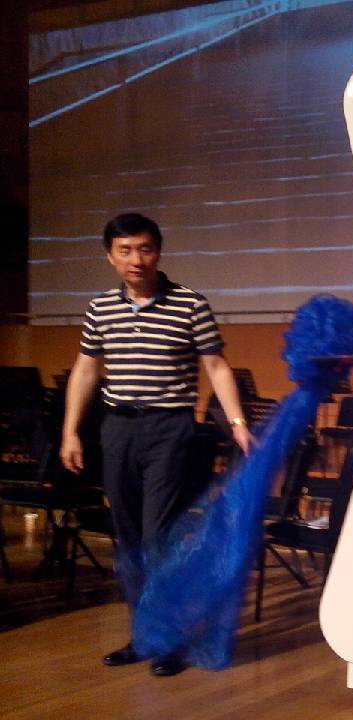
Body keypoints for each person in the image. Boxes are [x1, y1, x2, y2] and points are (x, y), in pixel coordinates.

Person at [60, 213, 253, 677]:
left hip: (170, 429)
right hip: (118, 428)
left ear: (158, 253)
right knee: (128, 538)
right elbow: (86, 369)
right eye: (125, 250)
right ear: (110, 256)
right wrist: (70, 430)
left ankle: (171, 637)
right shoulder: (100, 308)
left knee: (158, 537)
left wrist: (237, 422)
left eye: (144, 249)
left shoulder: (190, 304)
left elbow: (216, 365)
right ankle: (144, 634)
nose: (136, 259)